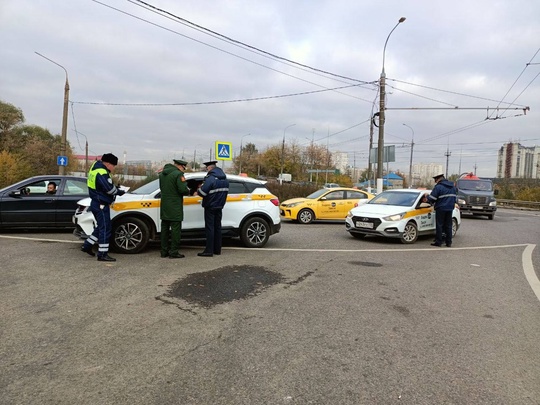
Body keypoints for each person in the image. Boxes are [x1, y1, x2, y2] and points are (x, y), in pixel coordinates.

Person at [81, 153, 125, 262]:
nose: (113, 168)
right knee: (105, 228)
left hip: (96, 202)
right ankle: (102, 254)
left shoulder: (95, 169)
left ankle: (87, 246)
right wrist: (119, 191)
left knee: (102, 226)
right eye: (113, 166)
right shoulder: (102, 172)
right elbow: (109, 189)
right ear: (109, 163)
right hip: (101, 204)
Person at [197, 160, 229, 257]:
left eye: (207, 168)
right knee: (217, 227)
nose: (207, 170)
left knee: (210, 228)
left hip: (210, 206)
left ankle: (209, 251)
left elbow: (202, 193)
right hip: (219, 206)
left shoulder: (211, 178)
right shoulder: (224, 178)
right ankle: (217, 249)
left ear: (210, 168)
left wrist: (199, 189)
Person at [159, 159, 190, 258]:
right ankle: (174, 252)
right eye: (183, 168)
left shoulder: (162, 174)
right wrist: (188, 191)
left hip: (164, 205)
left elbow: (162, 188)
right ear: (181, 166)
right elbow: (182, 189)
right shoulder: (178, 174)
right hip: (175, 206)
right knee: (175, 230)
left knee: (164, 230)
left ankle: (164, 252)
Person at [424, 174, 457, 247]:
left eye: (435, 180)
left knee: (439, 225)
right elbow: (455, 198)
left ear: (438, 179)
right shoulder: (453, 187)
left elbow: (432, 198)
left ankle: (438, 242)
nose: (435, 181)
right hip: (450, 208)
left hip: (441, 208)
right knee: (448, 225)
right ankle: (449, 242)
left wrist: (427, 196)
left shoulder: (438, 187)